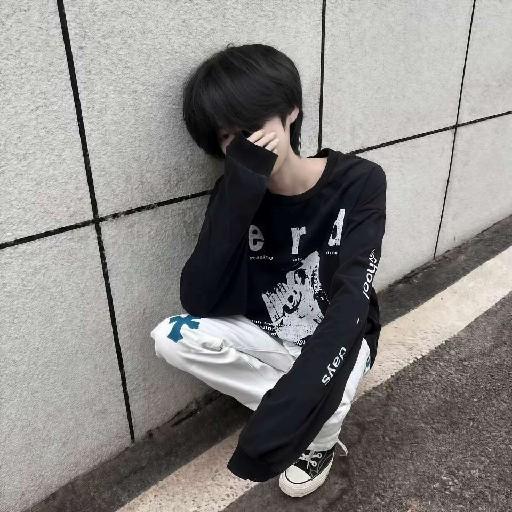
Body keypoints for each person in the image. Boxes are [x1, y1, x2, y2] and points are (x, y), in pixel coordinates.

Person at [150, 43, 387, 498]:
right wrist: (241, 195)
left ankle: (314, 430)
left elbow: (353, 293)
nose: (246, 145)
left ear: (290, 111)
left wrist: (300, 397)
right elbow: (198, 298)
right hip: (269, 332)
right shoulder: (232, 193)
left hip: (340, 333)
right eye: (228, 137)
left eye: (253, 126)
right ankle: (312, 416)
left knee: (324, 386)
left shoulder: (359, 181)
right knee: (171, 336)